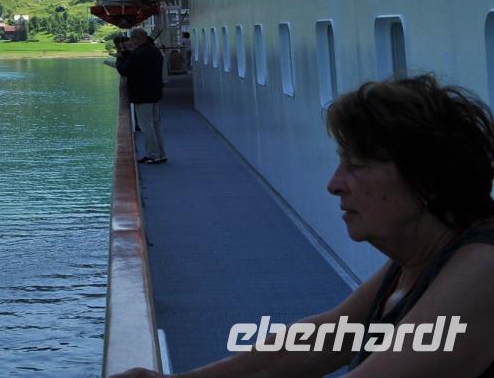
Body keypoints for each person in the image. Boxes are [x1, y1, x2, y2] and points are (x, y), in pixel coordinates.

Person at [115, 74, 494, 377]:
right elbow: (325, 340)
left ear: (424, 179)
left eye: (357, 166)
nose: (334, 184)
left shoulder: (483, 269)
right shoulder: (417, 259)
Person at [118, 26, 166, 163]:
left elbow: (125, 70)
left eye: (132, 38)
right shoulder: (155, 51)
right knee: (155, 125)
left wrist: (120, 58)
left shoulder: (139, 54)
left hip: (142, 95)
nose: (130, 41)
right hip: (155, 93)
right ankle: (162, 154)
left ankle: (152, 155)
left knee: (146, 127)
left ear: (137, 38)